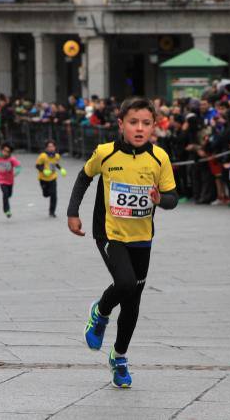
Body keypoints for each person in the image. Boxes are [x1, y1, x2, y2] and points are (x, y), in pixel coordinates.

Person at [66, 97, 178, 389]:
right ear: (121, 125)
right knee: (126, 284)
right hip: (109, 233)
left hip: (142, 237)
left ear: (154, 126)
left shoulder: (160, 158)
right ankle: (100, 312)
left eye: (146, 123)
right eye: (133, 122)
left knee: (132, 302)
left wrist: (159, 200)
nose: (139, 129)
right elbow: (83, 177)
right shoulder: (105, 153)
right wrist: (72, 212)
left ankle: (119, 357)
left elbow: (173, 198)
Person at [35, 139, 66, 217]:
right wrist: (43, 171)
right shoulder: (43, 156)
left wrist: (61, 169)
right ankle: (46, 192)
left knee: (54, 194)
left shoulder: (57, 156)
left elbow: (56, 164)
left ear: (55, 147)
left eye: (52, 146)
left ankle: (52, 212)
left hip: (53, 177)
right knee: (46, 194)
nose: (51, 148)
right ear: (46, 148)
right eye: (49, 146)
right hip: (43, 179)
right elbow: (37, 165)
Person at [0, 142, 21, 218]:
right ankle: (7, 210)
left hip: (10, 180)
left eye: (7, 151)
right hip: (2, 180)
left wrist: (16, 173)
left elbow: (18, 167)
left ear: (10, 152)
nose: (5, 153)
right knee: (5, 194)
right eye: (4, 151)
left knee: (9, 194)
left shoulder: (12, 160)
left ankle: (6, 203)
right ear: (1, 150)